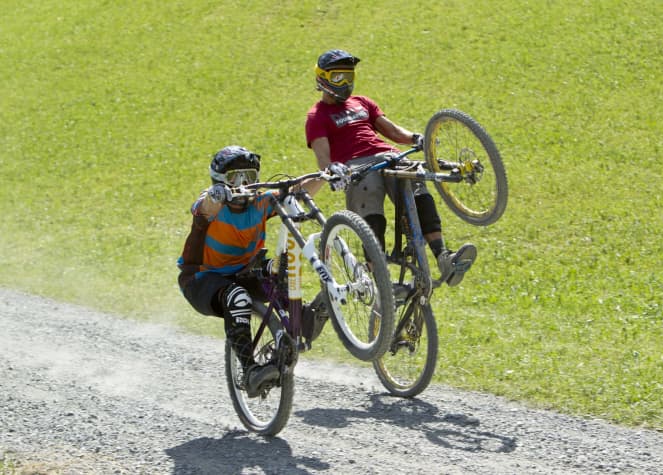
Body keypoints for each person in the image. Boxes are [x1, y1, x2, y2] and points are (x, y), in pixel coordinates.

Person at [304, 49, 477, 286]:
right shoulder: (317, 116)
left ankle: (443, 257)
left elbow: (393, 131)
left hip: (389, 155)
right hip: (357, 167)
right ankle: (380, 284)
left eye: (349, 76)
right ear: (322, 78)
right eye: (338, 77)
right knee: (370, 201)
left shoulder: (362, 102)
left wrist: (416, 138)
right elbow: (323, 157)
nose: (346, 83)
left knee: (418, 190)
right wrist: (332, 171)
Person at [177, 145, 280, 397]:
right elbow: (205, 207)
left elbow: (296, 192)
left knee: (281, 269)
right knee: (237, 298)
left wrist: (326, 175)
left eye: (250, 178)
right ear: (221, 180)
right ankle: (250, 371)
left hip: (246, 272)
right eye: (236, 178)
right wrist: (218, 194)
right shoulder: (212, 203)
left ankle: (298, 327)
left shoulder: (260, 202)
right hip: (203, 279)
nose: (244, 184)